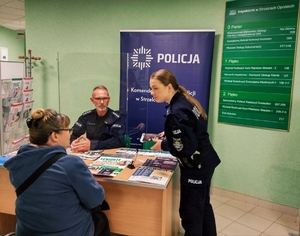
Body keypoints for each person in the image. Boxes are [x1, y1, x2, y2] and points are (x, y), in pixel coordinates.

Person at [4, 108, 109, 236]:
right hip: (68, 232)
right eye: (67, 130)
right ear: (54, 136)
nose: (71, 133)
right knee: (101, 219)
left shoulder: (19, 162)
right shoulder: (71, 164)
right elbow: (95, 199)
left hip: (26, 231)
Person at [149, 69, 221, 236]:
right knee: (203, 206)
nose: (152, 93)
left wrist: (163, 144)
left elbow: (185, 148)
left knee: (191, 214)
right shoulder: (183, 101)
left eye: (155, 88)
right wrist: (172, 133)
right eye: (151, 89)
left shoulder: (177, 111)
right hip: (206, 160)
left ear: (168, 87)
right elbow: (192, 130)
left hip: (196, 167)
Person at [70, 85, 126, 152]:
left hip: (110, 154)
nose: (102, 102)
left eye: (104, 98)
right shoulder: (86, 117)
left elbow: (119, 140)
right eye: (98, 99)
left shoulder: (117, 117)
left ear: (109, 99)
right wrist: (73, 143)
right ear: (92, 100)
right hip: (91, 155)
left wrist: (93, 145)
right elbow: (73, 134)